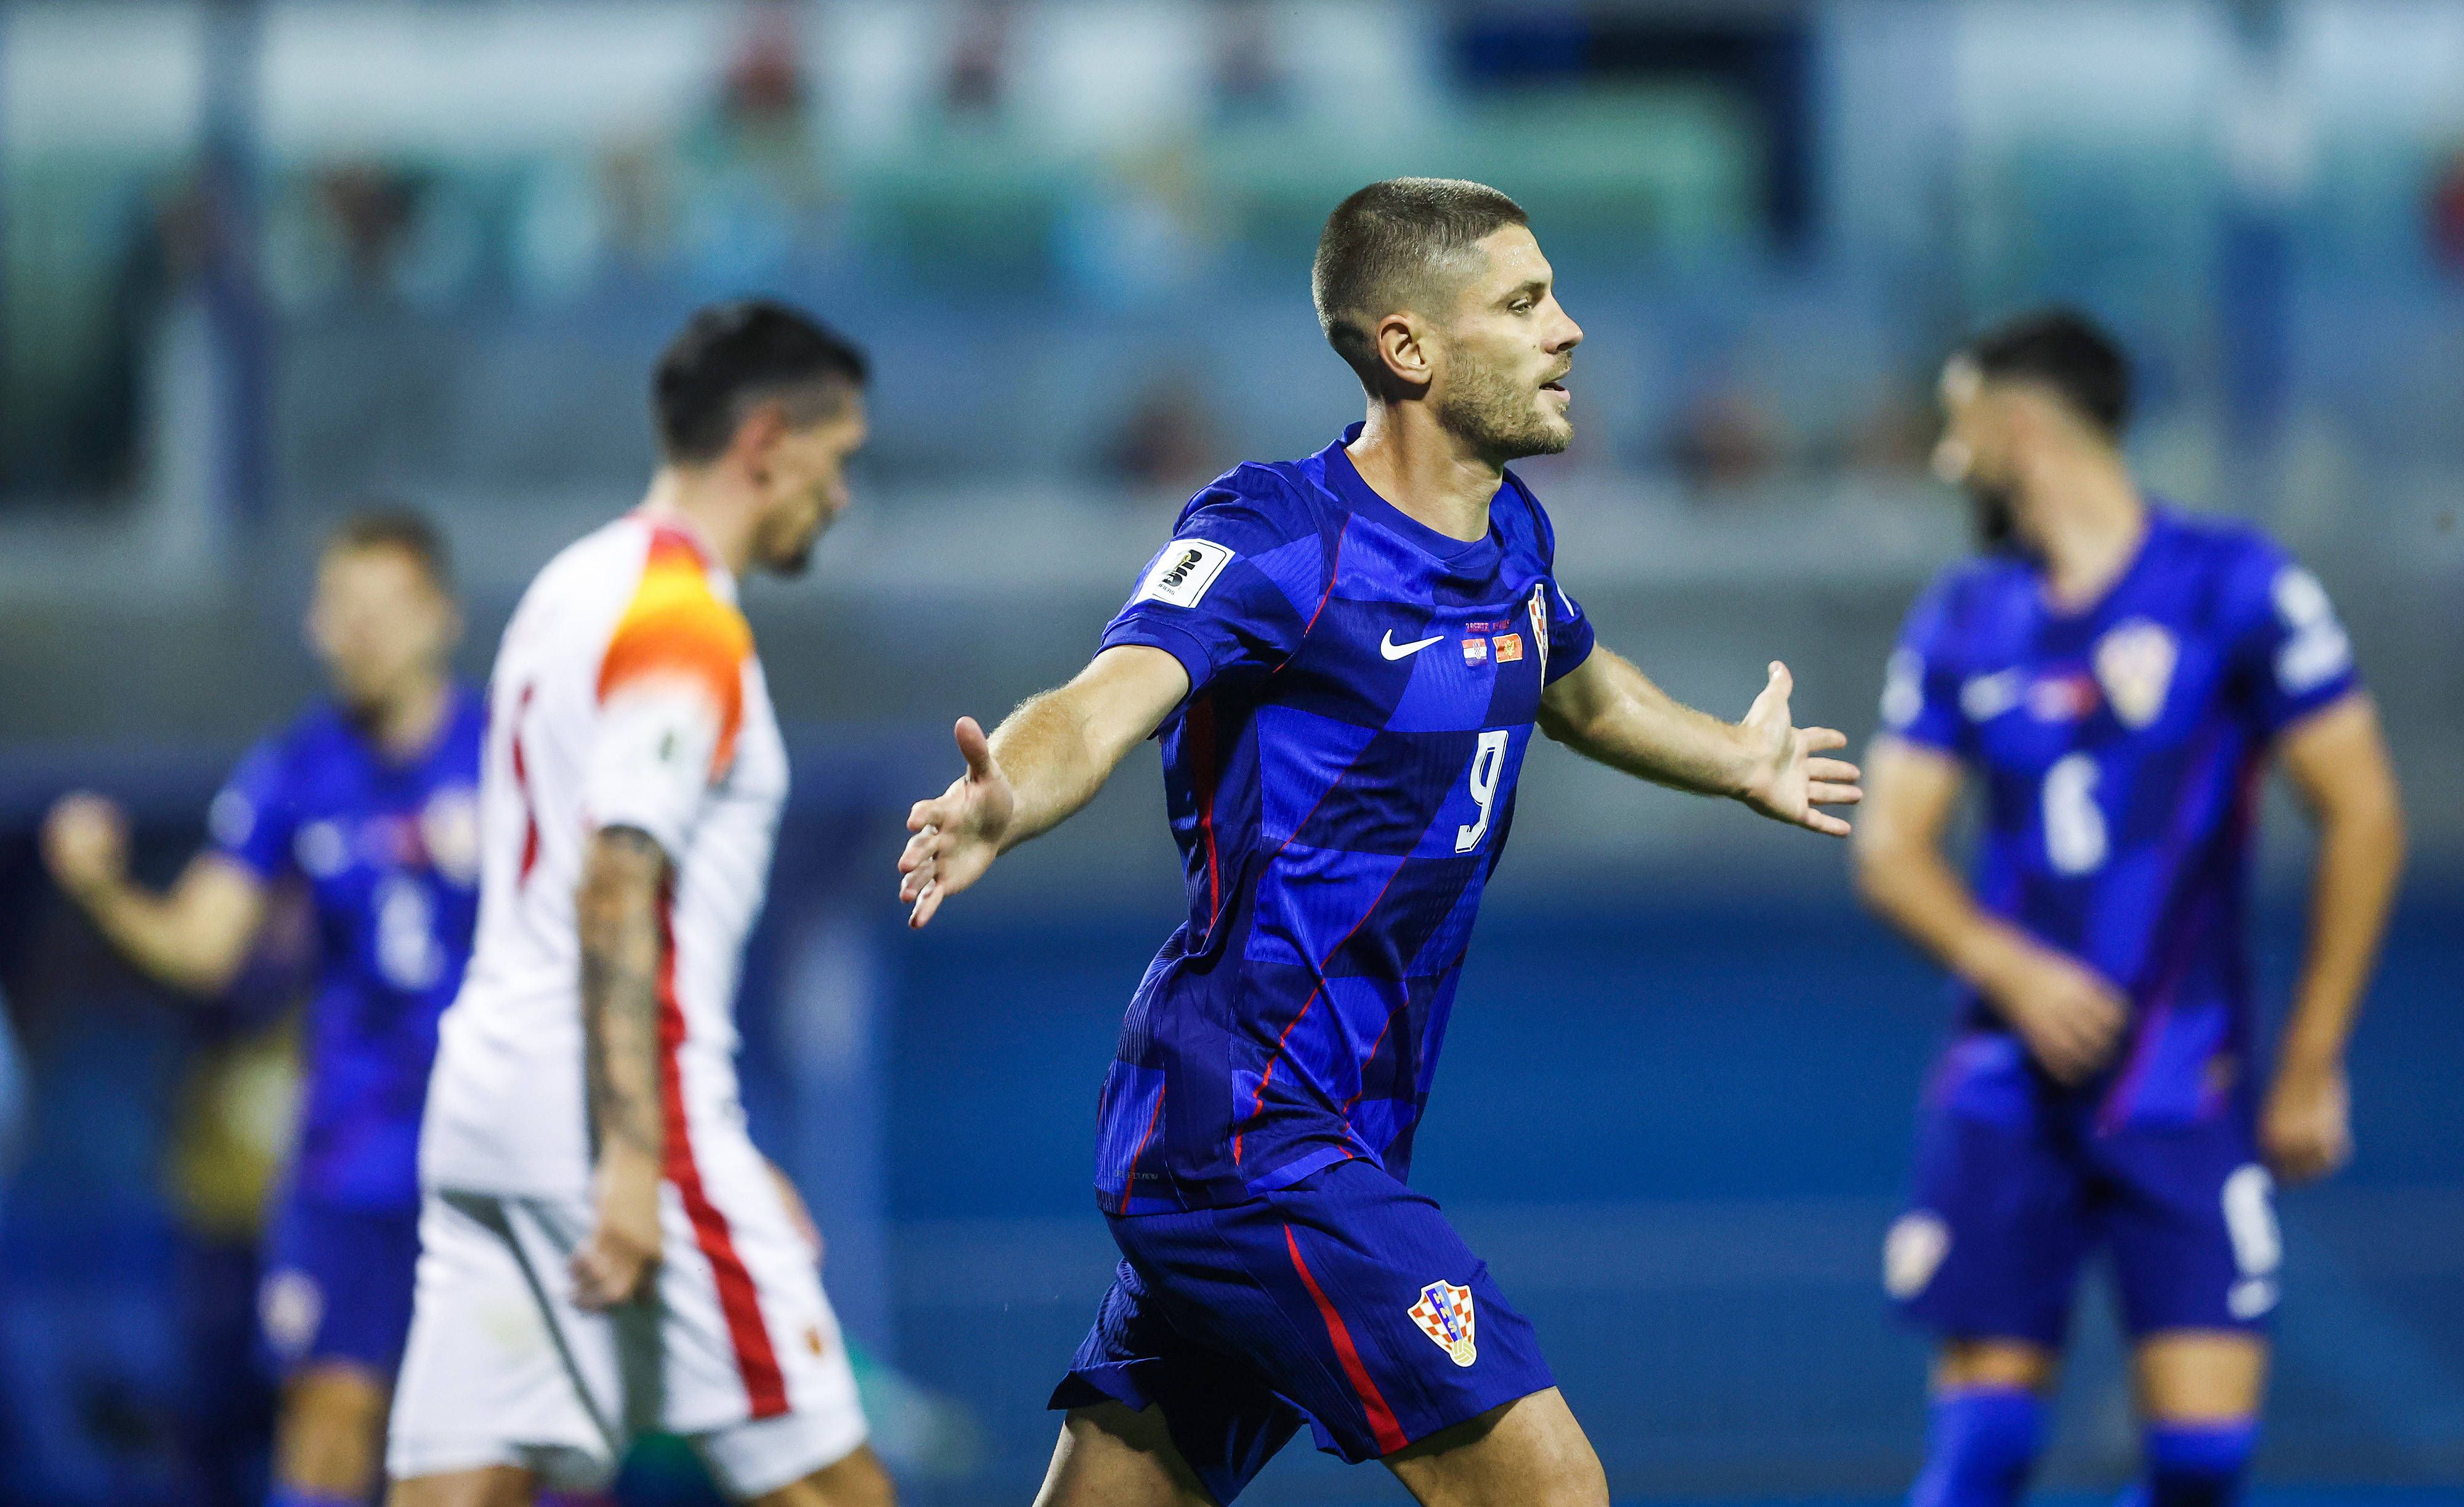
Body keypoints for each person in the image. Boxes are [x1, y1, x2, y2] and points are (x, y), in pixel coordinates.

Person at [894, 178, 1863, 1507]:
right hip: (1246, 1129)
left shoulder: (1510, 537)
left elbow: (1582, 692)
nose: (1569, 330)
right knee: (1547, 1493)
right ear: (1409, 348)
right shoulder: (1277, 536)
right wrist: (1008, 788)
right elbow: (1103, 699)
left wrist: (1736, 758)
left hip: (1336, 1128)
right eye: (1524, 303)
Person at [1850, 310, 2406, 1507]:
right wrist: (2013, 970)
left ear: (2016, 428)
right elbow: (1889, 850)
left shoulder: (2235, 586)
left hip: (2184, 1080)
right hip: (2005, 1083)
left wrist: (2312, 1060)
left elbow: (2362, 813)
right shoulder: (1965, 616)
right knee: (1983, 1455)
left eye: (1955, 431)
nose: (1946, 462)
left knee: (2202, 1465)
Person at [385, 299, 894, 1507]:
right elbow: (619, 876)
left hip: (488, 1107)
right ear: (764, 441)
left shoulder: (570, 584)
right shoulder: (685, 618)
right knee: (837, 1491)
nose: (840, 496)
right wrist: (641, 1152)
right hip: (615, 1122)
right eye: (835, 459)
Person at [42, 509, 484, 1507]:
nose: (359, 632)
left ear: (441, 616)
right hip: (349, 1158)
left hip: (491, 1152)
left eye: (384, 607)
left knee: (478, 1452)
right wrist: (105, 890)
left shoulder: (511, 754)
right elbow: (204, 948)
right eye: (339, 609)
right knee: (327, 1423)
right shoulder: (296, 769)